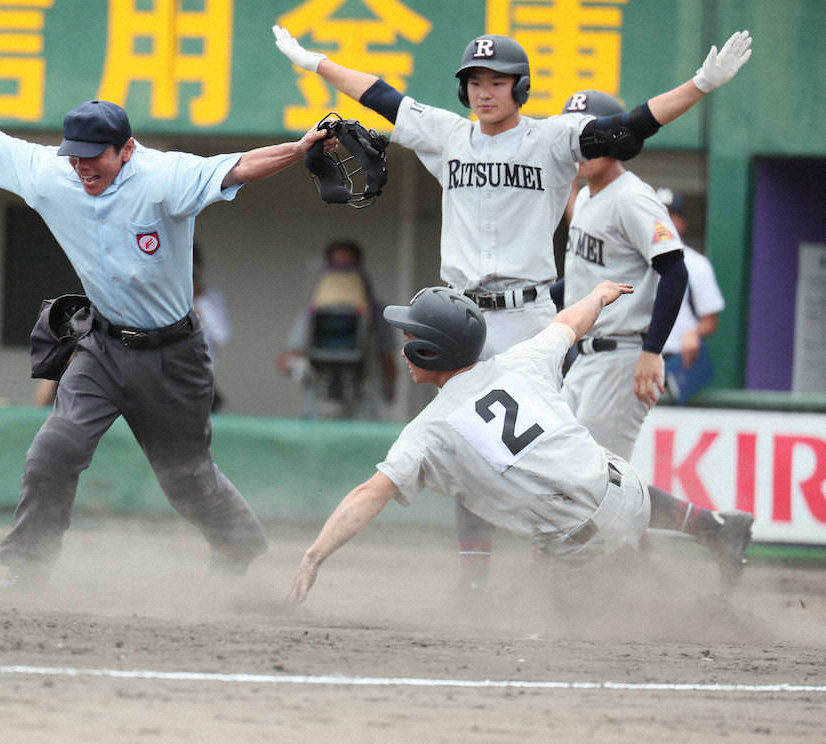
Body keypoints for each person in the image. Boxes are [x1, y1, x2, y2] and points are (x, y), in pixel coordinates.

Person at [273, 25, 753, 587]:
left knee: (573, 462)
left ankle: (676, 538)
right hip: (460, 318)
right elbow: (380, 95)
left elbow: (630, 126)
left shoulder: (553, 139)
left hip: (528, 319)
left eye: (497, 79)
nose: (484, 90)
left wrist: (699, 84)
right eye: (474, 80)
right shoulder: (448, 135)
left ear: (519, 86)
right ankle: (475, 582)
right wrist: (319, 63)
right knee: (464, 450)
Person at [0, 67, 332, 586]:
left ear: (126, 149)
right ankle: (26, 571)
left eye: (95, 155)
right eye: (76, 153)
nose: (83, 165)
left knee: (185, 479)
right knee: (52, 454)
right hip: (104, 347)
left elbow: (240, 167)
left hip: (173, 353)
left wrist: (298, 150)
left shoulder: (162, 178)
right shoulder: (55, 175)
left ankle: (237, 542)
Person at [286, 284, 754, 605]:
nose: (405, 342)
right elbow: (571, 322)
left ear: (430, 351)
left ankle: (680, 604)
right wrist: (599, 295)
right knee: (582, 467)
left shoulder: (430, 430)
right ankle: (705, 530)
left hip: (585, 546)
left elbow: (369, 494)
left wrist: (313, 555)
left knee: (567, 614)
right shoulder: (520, 361)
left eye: (411, 336)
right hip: (629, 491)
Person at [555, 91, 687, 460]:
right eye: (576, 138)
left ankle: (693, 520)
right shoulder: (584, 197)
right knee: (567, 470)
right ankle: (696, 520)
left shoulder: (632, 198)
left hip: (622, 353)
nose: (581, 148)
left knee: (596, 478)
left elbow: (674, 270)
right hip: (586, 356)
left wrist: (652, 351)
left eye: (591, 138)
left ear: (616, 141)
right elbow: (586, 280)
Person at [276, 239, 396, 420]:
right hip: (318, 412)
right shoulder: (312, 315)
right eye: (336, 267)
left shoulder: (378, 315)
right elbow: (287, 360)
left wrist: (388, 388)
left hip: (361, 413)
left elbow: (387, 359)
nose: (342, 274)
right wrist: (297, 366)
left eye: (348, 267)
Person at [656, 188, 726, 404]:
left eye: (671, 215)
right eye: (658, 215)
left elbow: (711, 320)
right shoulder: (633, 261)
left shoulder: (696, 265)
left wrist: (695, 333)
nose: (664, 222)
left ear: (682, 223)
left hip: (678, 361)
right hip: (635, 361)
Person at [192, 243, 232, 412]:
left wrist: (201, 299)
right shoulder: (165, 297)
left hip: (202, 379)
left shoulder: (212, 297)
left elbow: (222, 336)